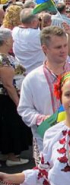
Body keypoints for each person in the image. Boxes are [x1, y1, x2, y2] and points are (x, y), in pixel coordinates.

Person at [17, 26, 70, 166]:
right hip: (46, 143)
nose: (63, 50)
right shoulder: (32, 79)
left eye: (65, 45)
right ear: (44, 49)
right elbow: (24, 109)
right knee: (48, 183)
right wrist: (42, 119)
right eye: (58, 47)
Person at [0, 27, 30, 166]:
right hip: (7, 99)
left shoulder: (7, 56)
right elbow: (8, 84)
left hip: (10, 97)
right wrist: (18, 103)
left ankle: (7, 153)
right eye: (11, 38)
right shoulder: (2, 59)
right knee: (12, 126)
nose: (13, 41)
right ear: (6, 41)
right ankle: (12, 156)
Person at [12, 8, 44, 74]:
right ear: (33, 22)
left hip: (21, 72)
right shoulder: (37, 34)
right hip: (37, 71)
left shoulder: (14, 31)